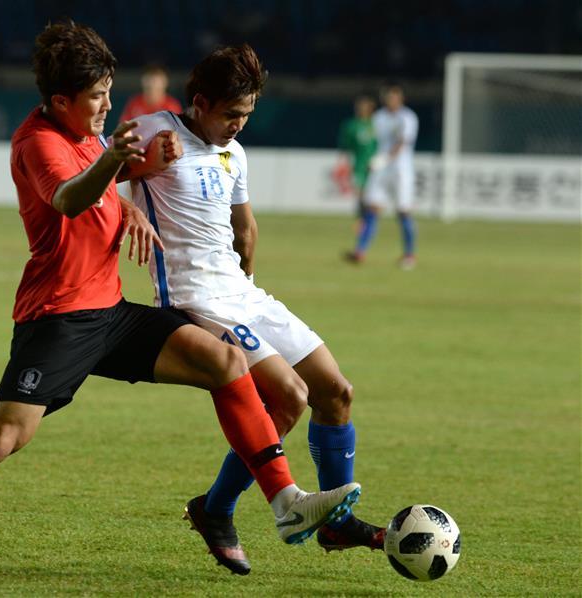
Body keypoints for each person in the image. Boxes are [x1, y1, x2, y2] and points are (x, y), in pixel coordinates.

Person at [0, 23, 360, 587]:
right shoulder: (38, 142)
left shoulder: (86, 132)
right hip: (60, 319)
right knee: (1, 437)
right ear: (61, 100)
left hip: (112, 311)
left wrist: (129, 200)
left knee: (225, 360)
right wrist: (115, 164)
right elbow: (69, 198)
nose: (109, 106)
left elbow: (103, 184)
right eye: (97, 96)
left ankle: (285, 502)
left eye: (109, 92)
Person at [125, 45, 384, 576]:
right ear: (200, 103)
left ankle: (334, 524)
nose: (239, 125)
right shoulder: (152, 130)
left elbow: (245, 229)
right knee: (288, 396)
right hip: (194, 297)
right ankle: (216, 509)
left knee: (336, 392)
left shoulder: (234, 153)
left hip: (242, 293)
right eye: (231, 114)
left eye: (247, 114)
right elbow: (95, 172)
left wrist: (247, 280)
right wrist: (131, 200)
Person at [344, 84, 419, 270]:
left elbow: (402, 142)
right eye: (388, 97)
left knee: (403, 212)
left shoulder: (407, 117)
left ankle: (409, 254)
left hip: (400, 170)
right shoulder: (379, 117)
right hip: (381, 170)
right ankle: (360, 251)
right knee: (372, 209)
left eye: (394, 97)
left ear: (401, 99)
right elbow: (372, 141)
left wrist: (384, 159)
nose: (391, 100)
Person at [334, 94, 376, 217]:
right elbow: (344, 146)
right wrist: (342, 163)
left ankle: (369, 220)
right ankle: (363, 220)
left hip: (377, 165)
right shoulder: (351, 125)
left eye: (364, 106)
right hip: (359, 164)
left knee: (373, 196)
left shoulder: (376, 124)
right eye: (359, 106)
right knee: (361, 194)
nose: (361, 109)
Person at [118, 64, 183, 123]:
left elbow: (178, 130)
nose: (152, 84)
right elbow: (123, 127)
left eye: (156, 81)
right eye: (149, 86)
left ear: (165, 84)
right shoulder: (133, 104)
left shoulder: (173, 106)